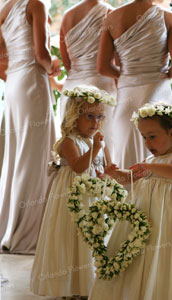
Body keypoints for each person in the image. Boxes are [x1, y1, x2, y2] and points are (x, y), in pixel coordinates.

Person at [89, 102, 172, 300]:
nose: (147, 143)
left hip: (166, 215)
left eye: (152, 137)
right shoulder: (149, 162)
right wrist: (114, 173)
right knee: (141, 250)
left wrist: (150, 166)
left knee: (160, 248)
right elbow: (130, 178)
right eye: (144, 137)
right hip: (144, 214)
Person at [30, 86, 115, 299]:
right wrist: (95, 148)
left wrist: (110, 174)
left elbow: (107, 167)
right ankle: (68, 286)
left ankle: (89, 283)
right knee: (70, 236)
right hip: (72, 197)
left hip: (93, 196)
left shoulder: (100, 141)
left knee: (90, 236)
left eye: (100, 117)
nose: (95, 123)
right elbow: (77, 166)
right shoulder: (69, 142)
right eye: (89, 116)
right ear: (74, 116)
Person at [0, 0, 61, 253]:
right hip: (32, 81)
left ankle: (9, 225)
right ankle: (30, 231)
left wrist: (11, 72)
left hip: (14, 83)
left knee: (17, 154)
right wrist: (54, 68)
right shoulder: (36, 3)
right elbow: (41, 54)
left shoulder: (4, 8)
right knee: (34, 155)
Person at [96, 0, 172, 169]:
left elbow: (102, 66)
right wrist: (163, 74)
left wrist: (127, 76)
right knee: (159, 155)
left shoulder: (112, 18)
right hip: (157, 91)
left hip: (126, 98)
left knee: (126, 156)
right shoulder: (168, 17)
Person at [59, 0, 116, 153]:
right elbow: (116, 59)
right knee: (106, 146)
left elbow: (67, 64)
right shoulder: (110, 13)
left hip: (72, 89)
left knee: (73, 148)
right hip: (101, 87)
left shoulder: (67, 16)